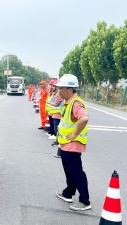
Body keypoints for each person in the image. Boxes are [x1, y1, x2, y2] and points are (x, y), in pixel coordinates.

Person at [55, 74, 90, 211]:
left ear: (69, 89)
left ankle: (84, 200)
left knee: (76, 172)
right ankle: (68, 192)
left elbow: (84, 118)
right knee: (69, 170)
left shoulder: (76, 103)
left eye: (61, 88)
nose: (59, 91)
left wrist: (75, 133)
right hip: (66, 144)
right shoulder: (68, 102)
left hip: (73, 144)